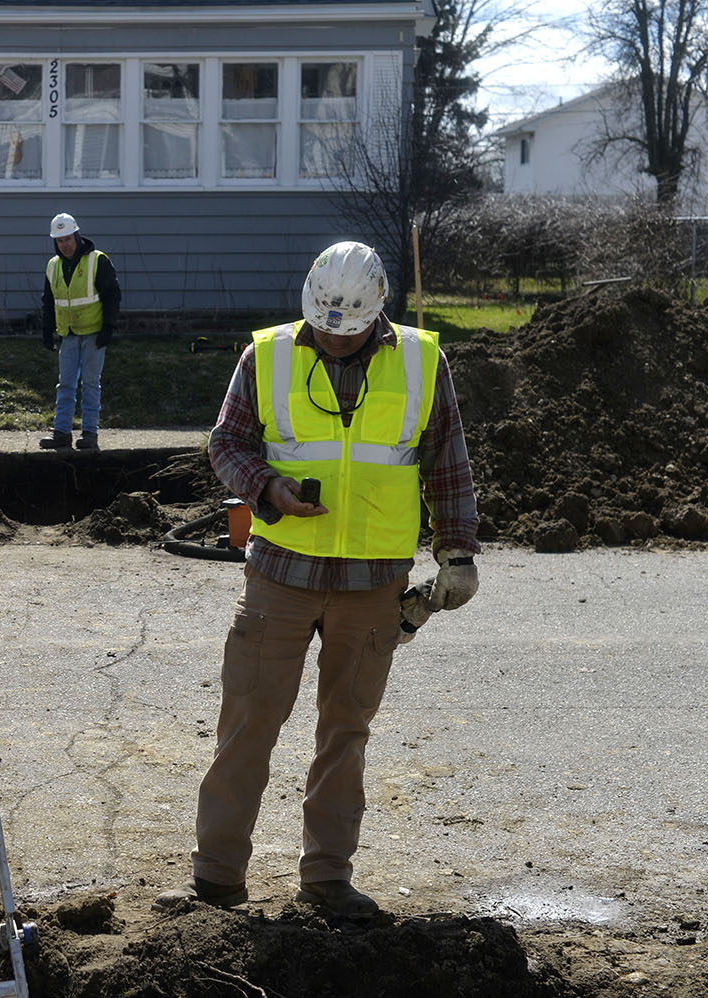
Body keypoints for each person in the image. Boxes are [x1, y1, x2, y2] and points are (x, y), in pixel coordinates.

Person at [155, 241, 480, 916]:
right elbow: (226, 443)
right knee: (249, 719)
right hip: (282, 574)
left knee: (346, 730)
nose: (335, 339)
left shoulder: (423, 362)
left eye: (350, 329)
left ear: (377, 312)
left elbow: (448, 465)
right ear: (309, 305)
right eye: (326, 327)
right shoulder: (266, 355)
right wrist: (266, 488)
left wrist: (458, 554)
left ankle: (327, 879)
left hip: (373, 581)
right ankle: (217, 876)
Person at [39, 212, 121, 451]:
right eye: (59, 240)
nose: (64, 245)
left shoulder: (98, 261)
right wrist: (47, 330)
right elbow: (48, 301)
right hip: (68, 335)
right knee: (65, 384)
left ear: (76, 236)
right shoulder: (53, 266)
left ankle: (89, 433)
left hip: (94, 334)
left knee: (91, 384)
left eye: (68, 239)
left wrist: (108, 327)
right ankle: (62, 433)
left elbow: (112, 296)